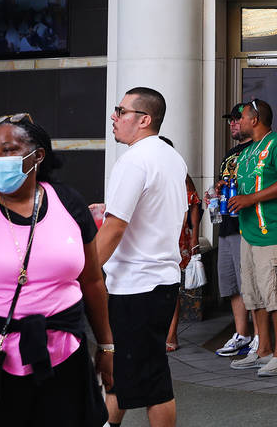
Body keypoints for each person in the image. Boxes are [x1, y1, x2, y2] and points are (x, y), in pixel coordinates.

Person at [0, 113, 111, 427]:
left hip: (64, 352)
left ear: (37, 155)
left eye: (8, 150)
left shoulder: (68, 202)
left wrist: (107, 345)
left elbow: (93, 280)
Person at [96, 87, 187, 427]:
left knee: (153, 380)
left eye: (121, 110)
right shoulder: (170, 157)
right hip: (159, 280)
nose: (114, 117)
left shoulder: (134, 159)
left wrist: (82, 274)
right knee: (126, 365)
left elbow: (114, 228)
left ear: (144, 119)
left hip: (137, 285)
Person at [226, 98, 277, 377]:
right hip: (249, 234)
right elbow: (246, 188)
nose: (238, 122)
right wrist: (228, 190)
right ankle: (263, 351)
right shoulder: (246, 152)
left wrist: (249, 199)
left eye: (241, 117)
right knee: (254, 296)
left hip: (274, 234)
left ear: (255, 119)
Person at [212, 105, 260, 360]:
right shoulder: (231, 153)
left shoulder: (259, 150)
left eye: (236, 119)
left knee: (250, 284)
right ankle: (242, 334)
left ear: (252, 120)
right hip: (227, 225)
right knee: (231, 284)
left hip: (249, 226)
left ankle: (261, 337)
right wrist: (218, 189)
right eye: (229, 120)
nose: (232, 124)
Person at [165, 137, 202, 353]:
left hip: (176, 237)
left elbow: (194, 206)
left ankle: (171, 334)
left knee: (171, 288)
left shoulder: (180, 175)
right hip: (151, 237)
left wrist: (194, 239)